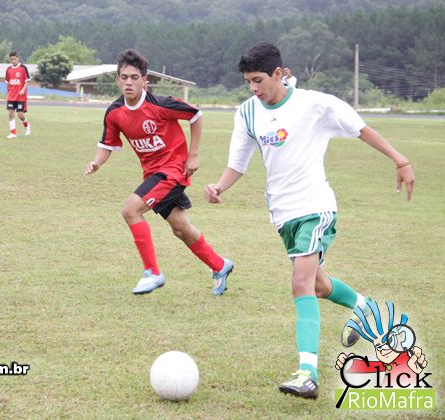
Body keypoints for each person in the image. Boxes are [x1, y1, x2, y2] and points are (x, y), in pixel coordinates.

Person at [204, 42, 414, 399]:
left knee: (300, 283)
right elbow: (238, 163)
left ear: (278, 74)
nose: (253, 88)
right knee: (318, 285)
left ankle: (307, 373)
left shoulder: (315, 104)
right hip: (282, 214)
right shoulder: (247, 113)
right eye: (248, 82)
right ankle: (371, 311)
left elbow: (361, 129)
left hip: (315, 208)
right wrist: (219, 187)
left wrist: (401, 160)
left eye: (258, 80)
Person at [85, 49, 234, 296]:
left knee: (130, 210)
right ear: (118, 80)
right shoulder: (114, 112)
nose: (129, 82)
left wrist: (193, 155)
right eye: (124, 77)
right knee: (180, 228)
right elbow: (107, 144)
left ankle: (152, 273)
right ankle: (220, 266)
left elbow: (195, 115)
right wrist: (97, 162)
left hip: (173, 171)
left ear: (145, 81)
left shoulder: (161, 104)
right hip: (152, 175)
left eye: (135, 77)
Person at [5, 51, 31, 138]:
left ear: (18, 58)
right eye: (11, 59)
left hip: (20, 96)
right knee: (11, 112)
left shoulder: (23, 68)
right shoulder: (8, 69)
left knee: (20, 114)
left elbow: (27, 81)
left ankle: (26, 125)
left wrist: (23, 89)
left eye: (14, 59)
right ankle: (13, 133)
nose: (13, 61)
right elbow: (8, 82)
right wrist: (8, 92)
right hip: (11, 96)